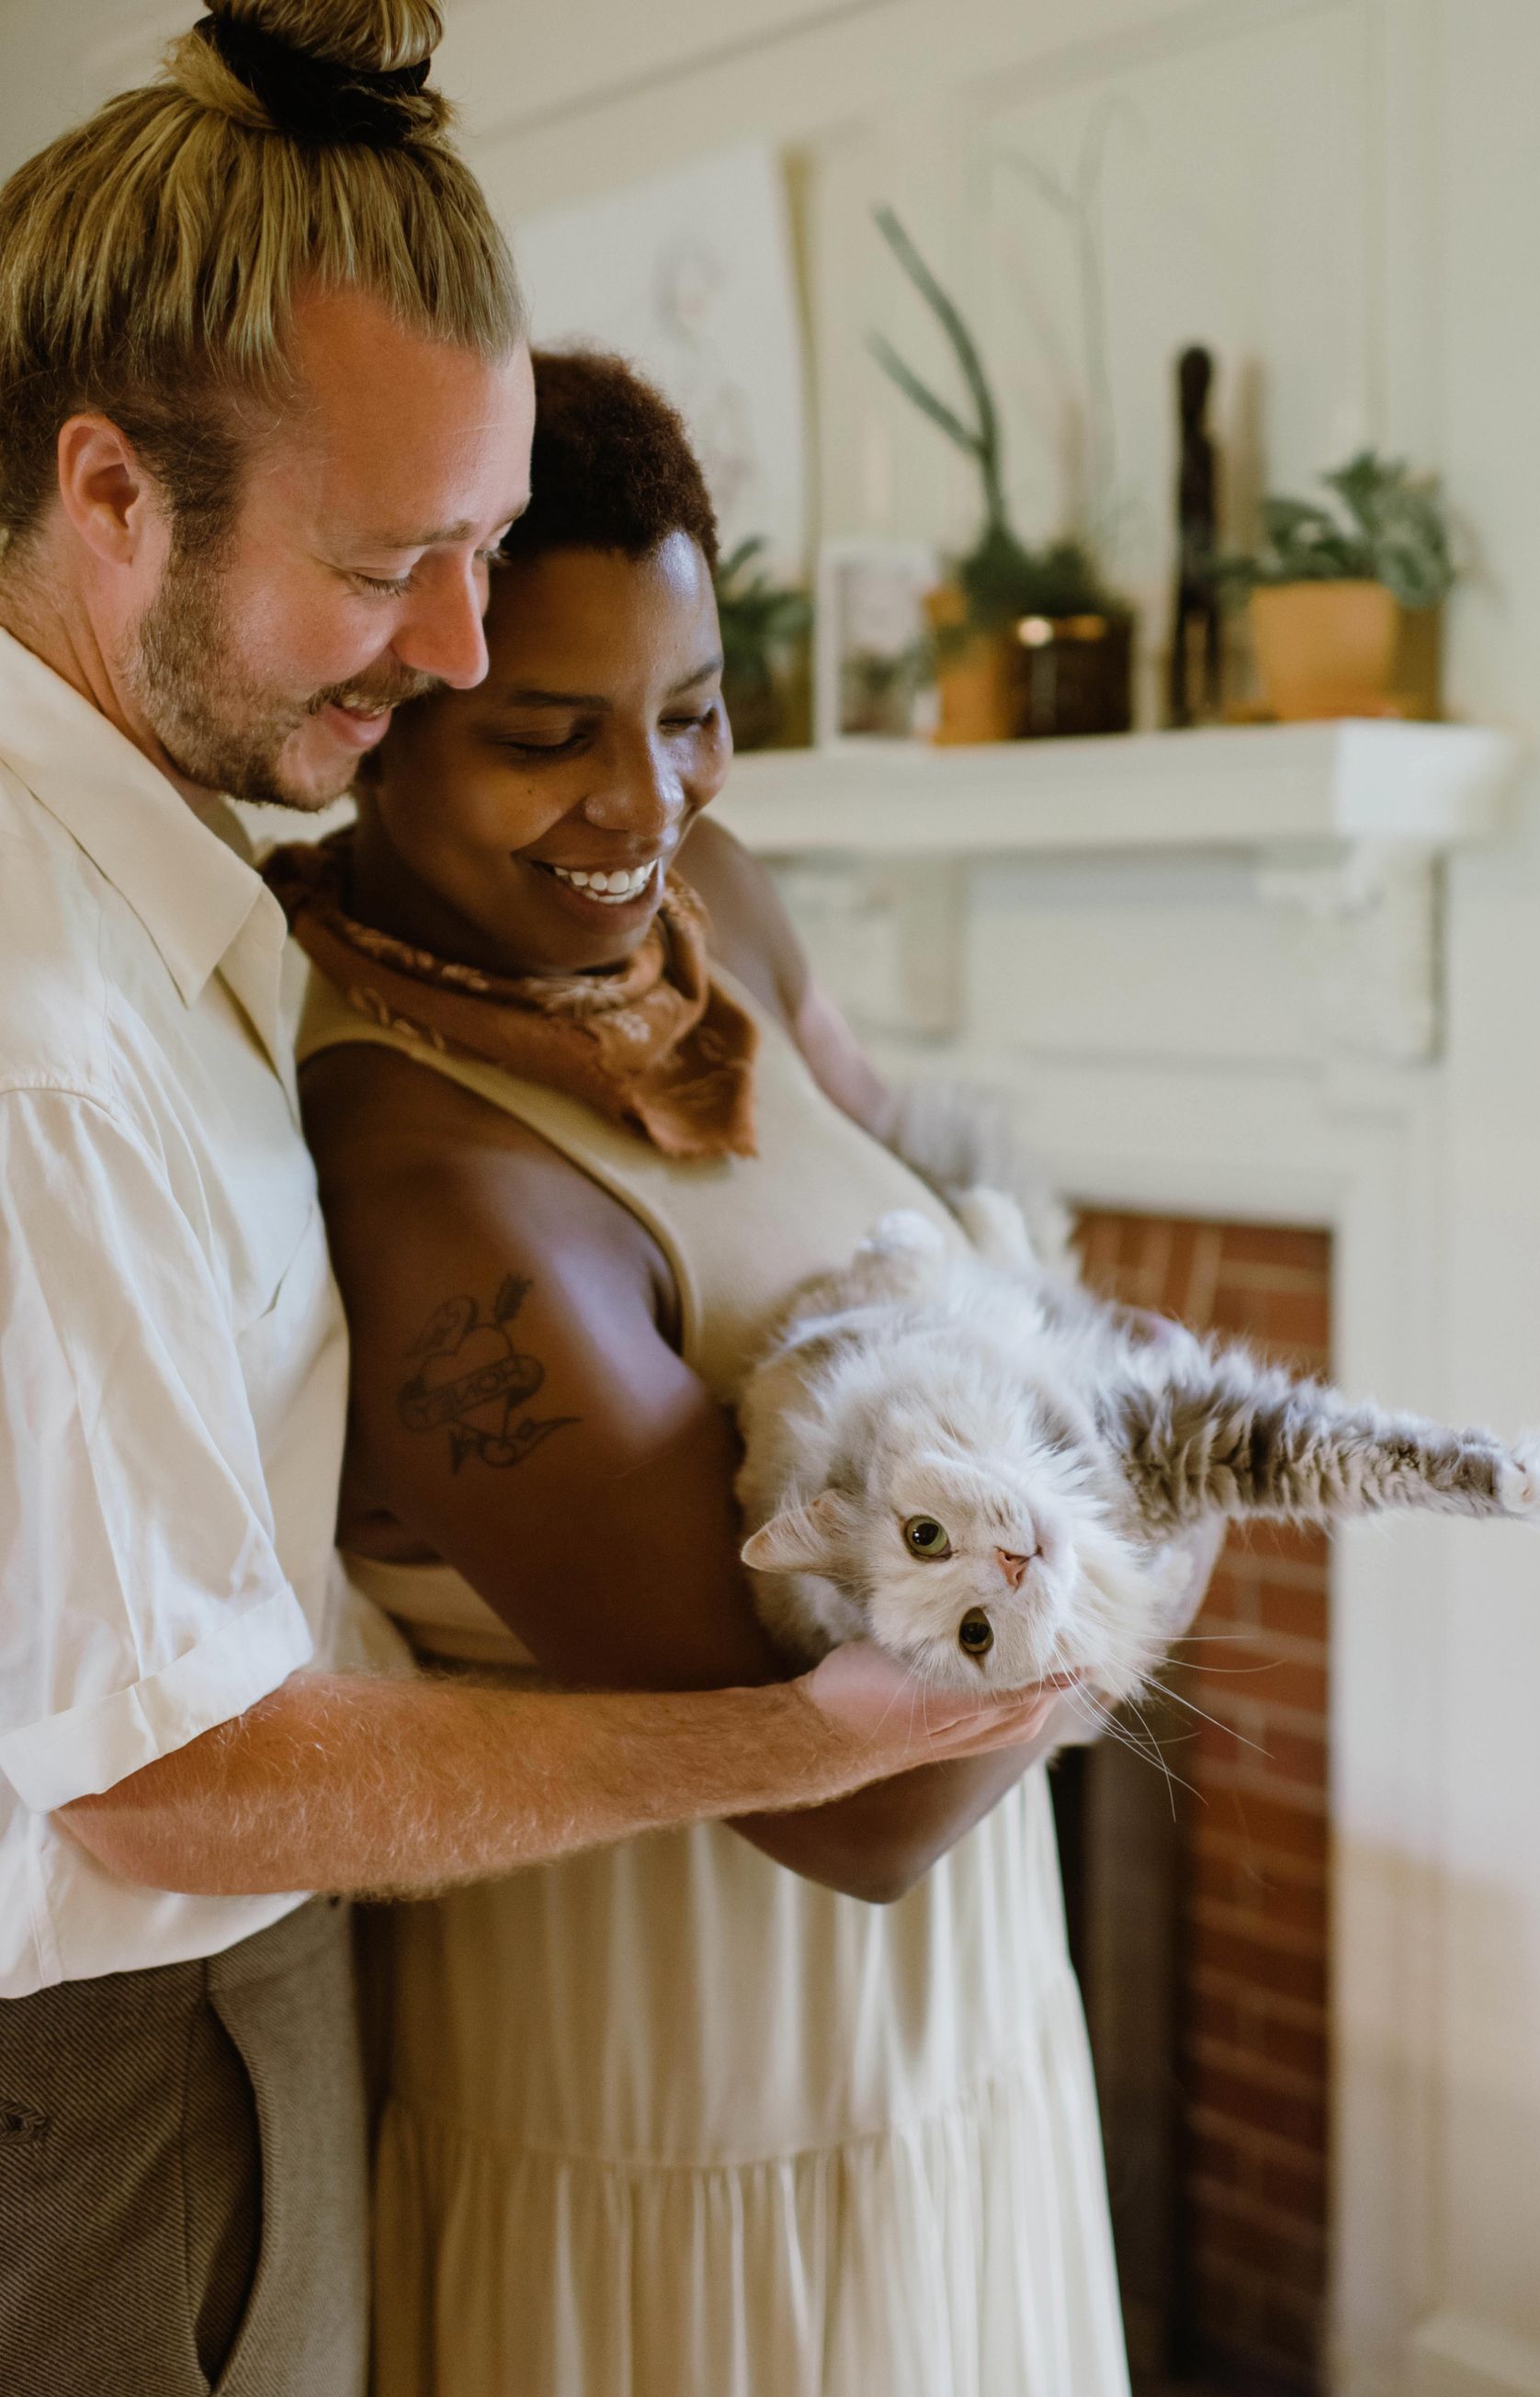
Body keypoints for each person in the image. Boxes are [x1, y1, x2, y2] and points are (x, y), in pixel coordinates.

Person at [0, 16, 1056, 2396]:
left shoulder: (187, 884)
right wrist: (794, 1742)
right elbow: (170, 1773)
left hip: (286, 1994)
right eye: (393, 567)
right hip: (117, 2087)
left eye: (479, 553)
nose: (464, 656)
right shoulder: (42, 1031)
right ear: (112, 494)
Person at [277, 348, 1218, 2397]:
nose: (647, 799)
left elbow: (928, 1194)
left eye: (692, 710)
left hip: (957, 2029)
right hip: (684, 2111)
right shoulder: (434, 1193)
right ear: (375, 723)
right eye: (549, 735)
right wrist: (1174, 1491)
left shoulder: (706, 907)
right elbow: (859, 1803)